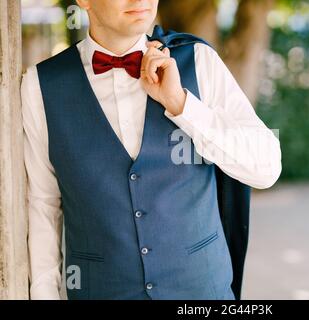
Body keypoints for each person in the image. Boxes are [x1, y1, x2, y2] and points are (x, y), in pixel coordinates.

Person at [21, 0, 282, 300]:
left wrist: (183, 105)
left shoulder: (198, 61)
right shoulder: (41, 86)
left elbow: (267, 168)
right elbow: (43, 207)